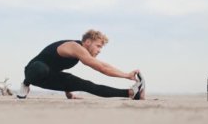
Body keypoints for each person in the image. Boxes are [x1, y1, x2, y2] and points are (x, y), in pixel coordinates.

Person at [17, 29, 145, 100]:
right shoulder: (75, 47)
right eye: (98, 46)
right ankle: (25, 84)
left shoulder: (79, 55)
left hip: (48, 78)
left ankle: (131, 93)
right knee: (41, 68)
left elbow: (57, 70)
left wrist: (68, 91)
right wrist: (126, 75)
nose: (99, 50)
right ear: (88, 42)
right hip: (33, 71)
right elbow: (102, 68)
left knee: (87, 85)